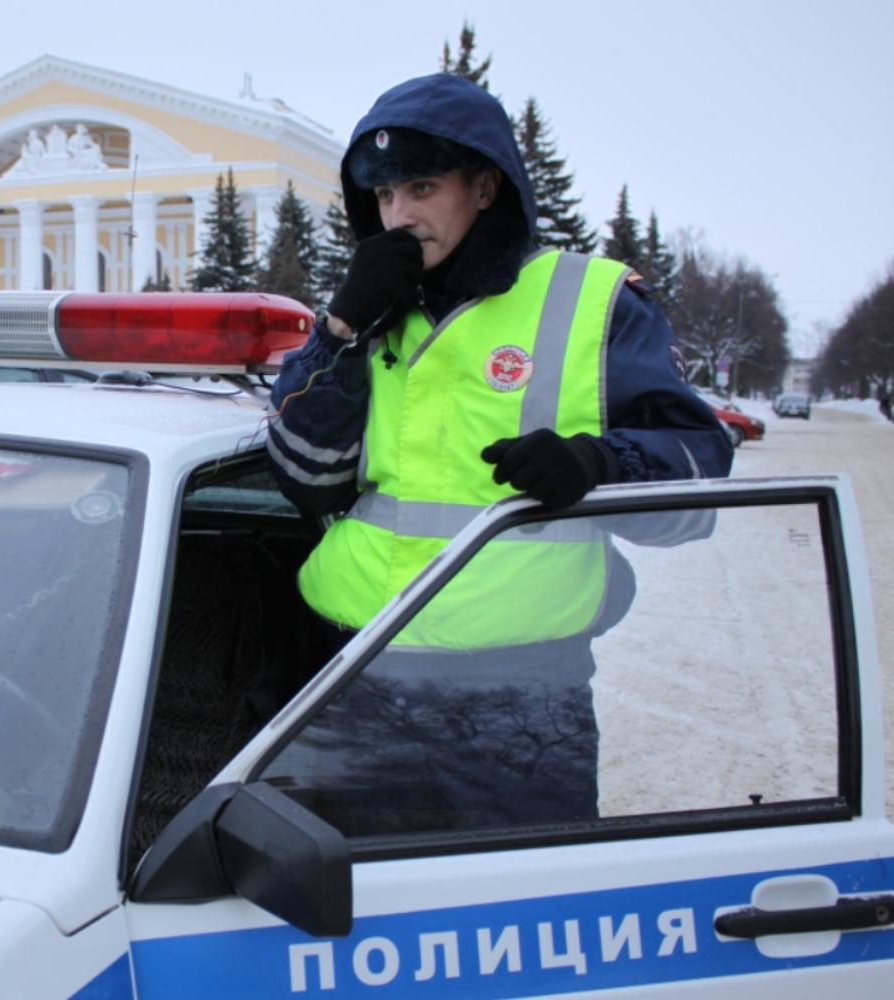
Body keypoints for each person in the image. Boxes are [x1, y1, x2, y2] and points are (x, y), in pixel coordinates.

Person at [266, 73, 733, 829]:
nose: (400, 214)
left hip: (517, 700)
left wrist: (595, 466)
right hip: (350, 677)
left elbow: (698, 477)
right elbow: (303, 476)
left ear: (484, 188)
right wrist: (342, 330)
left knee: (520, 921)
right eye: (384, 195)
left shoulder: (595, 300)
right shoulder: (372, 309)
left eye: (422, 186)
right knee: (346, 922)